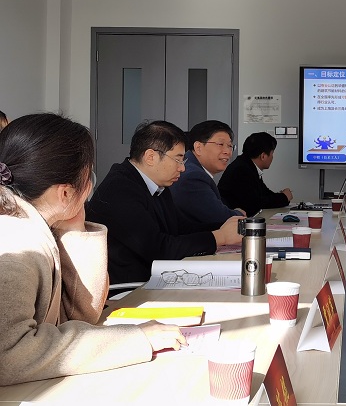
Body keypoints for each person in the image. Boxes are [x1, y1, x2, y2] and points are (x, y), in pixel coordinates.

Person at [0, 114, 185, 386]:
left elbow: (80, 316)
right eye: (89, 176)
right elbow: (10, 356)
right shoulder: (16, 246)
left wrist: (76, 227)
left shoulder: (37, 225)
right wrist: (134, 339)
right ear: (65, 193)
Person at [86, 120, 242, 284]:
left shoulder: (156, 184)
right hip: (132, 288)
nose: (182, 168)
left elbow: (179, 228)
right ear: (150, 157)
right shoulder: (120, 189)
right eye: (178, 159)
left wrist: (224, 228)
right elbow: (159, 249)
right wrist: (219, 237)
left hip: (156, 278)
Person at [170, 120, 246, 226]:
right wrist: (239, 213)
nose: (227, 152)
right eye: (220, 144)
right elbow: (220, 218)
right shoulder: (192, 177)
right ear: (198, 148)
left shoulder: (192, 167)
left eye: (230, 146)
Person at [218, 132, 293, 216]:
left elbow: (264, 193)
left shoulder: (248, 165)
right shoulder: (241, 170)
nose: (272, 157)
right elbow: (255, 204)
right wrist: (284, 197)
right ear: (263, 156)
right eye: (272, 154)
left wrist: (282, 196)